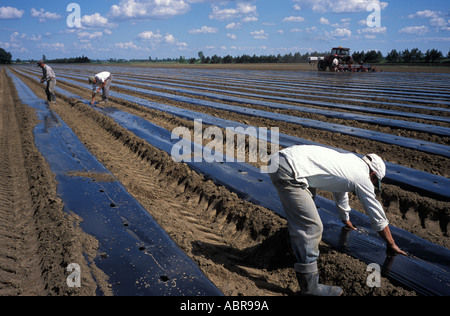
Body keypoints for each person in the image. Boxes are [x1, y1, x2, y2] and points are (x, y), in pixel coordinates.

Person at [269, 145, 406, 296]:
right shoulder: (362, 177)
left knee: (303, 214)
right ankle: (310, 288)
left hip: (284, 160)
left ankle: (288, 247)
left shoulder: (351, 162)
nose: (373, 185)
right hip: (290, 169)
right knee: (312, 227)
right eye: (375, 182)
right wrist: (391, 243)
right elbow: (376, 213)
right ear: (373, 174)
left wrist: (345, 219)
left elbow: (340, 190)